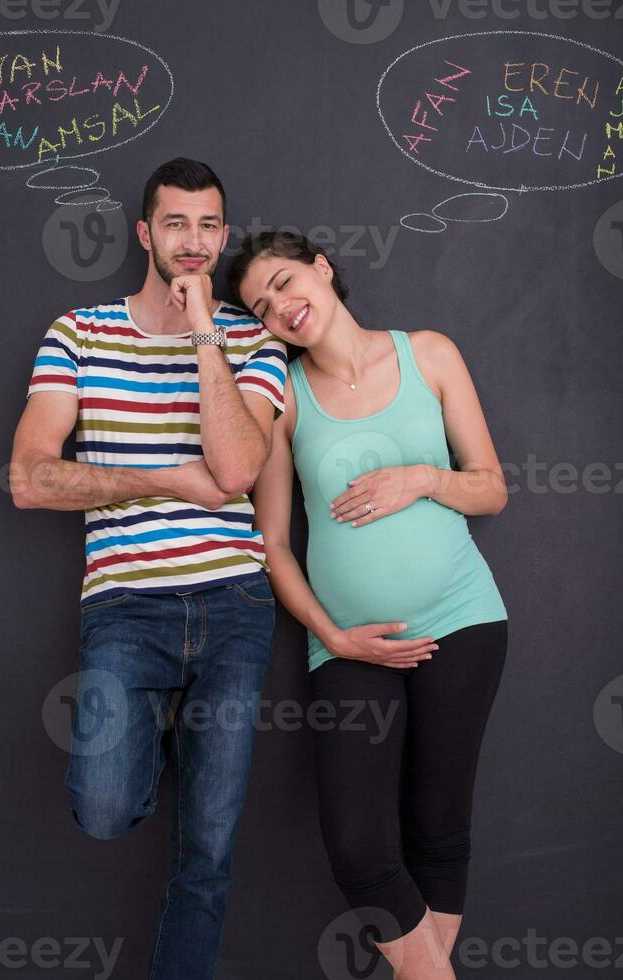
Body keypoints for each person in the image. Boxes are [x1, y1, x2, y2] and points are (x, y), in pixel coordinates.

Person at [10, 159, 288, 980]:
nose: (193, 242)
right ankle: (160, 737)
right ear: (145, 233)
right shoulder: (79, 333)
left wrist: (205, 329)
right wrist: (165, 479)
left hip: (234, 605)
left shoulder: (251, 337)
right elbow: (30, 478)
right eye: (176, 224)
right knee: (101, 809)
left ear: (223, 234)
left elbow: (236, 470)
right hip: (127, 609)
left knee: (205, 852)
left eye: (208, 226)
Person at [228, 230, 509, 979]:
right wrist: (332, 637)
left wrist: (421, 477)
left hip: (462, 620)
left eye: (286, 282)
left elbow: (490, 485)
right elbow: (274, 546)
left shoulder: (429, 354)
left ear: (323, 270)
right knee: (357, 846)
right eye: (260, 306)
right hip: (346, 645)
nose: (280, 307)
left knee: (438, 830)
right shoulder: (281, 396)